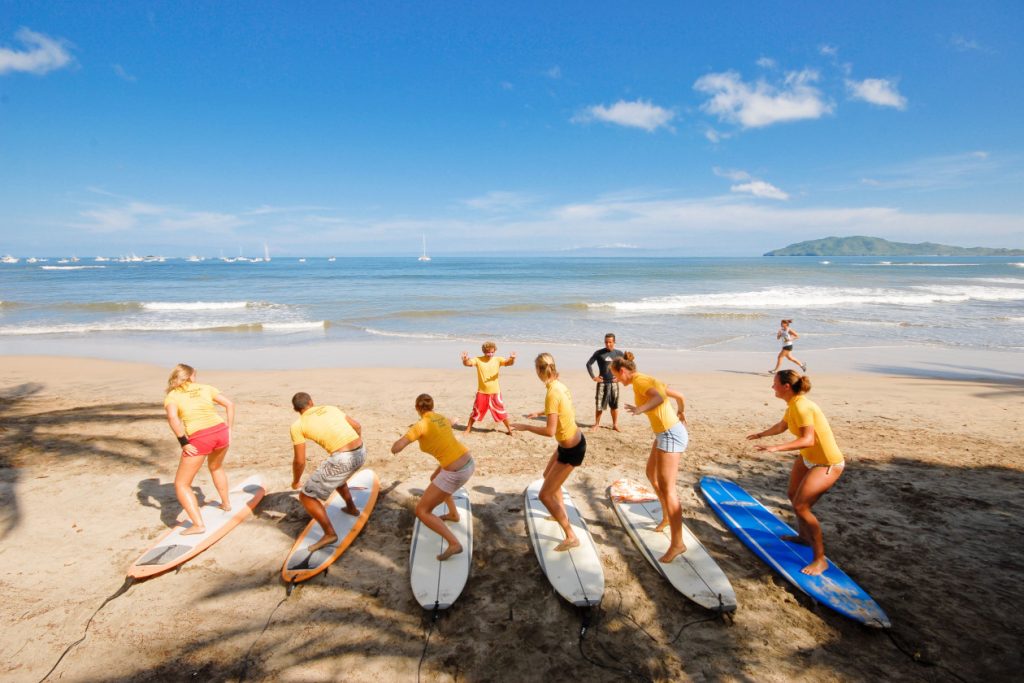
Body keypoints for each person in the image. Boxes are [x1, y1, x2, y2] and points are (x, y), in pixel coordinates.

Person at [747, 370, 844, 576]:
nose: (772, 387)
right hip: (808, 458)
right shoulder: (793, 404)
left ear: (786, 387)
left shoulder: (802, 406)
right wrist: (761, 435)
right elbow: (782, 426)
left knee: (802, 506)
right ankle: (803, 537)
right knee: (793, 495)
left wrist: (776, 448)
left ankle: (820, 559)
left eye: (775, 384)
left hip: (827, 463)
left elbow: (809, 439)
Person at [611, 352, 689, 563]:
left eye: (616, 375)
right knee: (650, 474)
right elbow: (679, 395)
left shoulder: (640, 381)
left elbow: (660, 397)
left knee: (668, 489)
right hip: (665, 432)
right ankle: (665, 515)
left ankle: (678, 544)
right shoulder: (645, 379)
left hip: (670, 434)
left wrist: (640, 409)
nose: (616, 380)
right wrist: (681, 412)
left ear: (623, 371)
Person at [510, 353, 585, 551]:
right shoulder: (559, 385)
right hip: (569, 443)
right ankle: (559, 512)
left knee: (544, 495)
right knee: (547, 477)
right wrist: (540, 413)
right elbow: (561, 408)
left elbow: (549, 431)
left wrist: (527, 426)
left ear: (539, 370)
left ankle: (571, 535)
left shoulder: (552, 392)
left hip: (572, 450)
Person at [391, 394, 475, 561]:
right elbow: (452, 421)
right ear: (432, 406)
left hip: (455, 471)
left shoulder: (420, 426)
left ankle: (454, 543)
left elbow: (397, 447)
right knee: (434, 478)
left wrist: (396, 445)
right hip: (468, 461)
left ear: (417, 408)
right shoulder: (440, 418)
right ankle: (453, 514)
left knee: (422, 511)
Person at [289, 392, 367, 552]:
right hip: (361, 451)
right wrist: (355, 446)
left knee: (306, 496)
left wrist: (296, 481)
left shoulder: (298, 425)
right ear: (311, 402)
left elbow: (300, 461)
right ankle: (351, 508)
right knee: (337, 475)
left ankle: (329, 534)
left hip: (342, 459)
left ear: (296, 409)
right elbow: (357, 426)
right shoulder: (331, 408)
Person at [163, 364, 234, 536]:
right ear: (192, 376)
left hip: (201, 438)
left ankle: (198, 525)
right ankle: (226, 504)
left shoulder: (173, 396)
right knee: (216, 467)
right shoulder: (206, 388)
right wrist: (229, 429)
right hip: (221, 432)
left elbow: (173, 418)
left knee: (181, 484)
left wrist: (183, 442)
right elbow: (230, 404)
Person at [461, 341, 516, 434]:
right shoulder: (478, 360)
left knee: (501, 412)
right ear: (483, 351)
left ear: (495, 351)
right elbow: (468, 363)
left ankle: (509, 430)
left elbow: (509, 363)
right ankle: (468, 429)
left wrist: (512, 358)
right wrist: (465, 359)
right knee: (475, 412)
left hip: (495, 392)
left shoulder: (498, 359)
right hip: (482, 392)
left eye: (492, 352)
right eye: (488, 352)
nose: (490, 354)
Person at [585, 332, 625, 432]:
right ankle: (596, 424)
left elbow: (626, 366)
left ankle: (615, 425)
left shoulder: (619, 353)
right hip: (602, 383)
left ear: (614, 342)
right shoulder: (599, 353)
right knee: (599, 405)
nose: (608, 344)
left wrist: (620, 378)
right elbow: (589, 364)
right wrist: (594, 377)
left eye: (610, 342)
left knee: (614, 405)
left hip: (613, 383)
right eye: (606, 342)